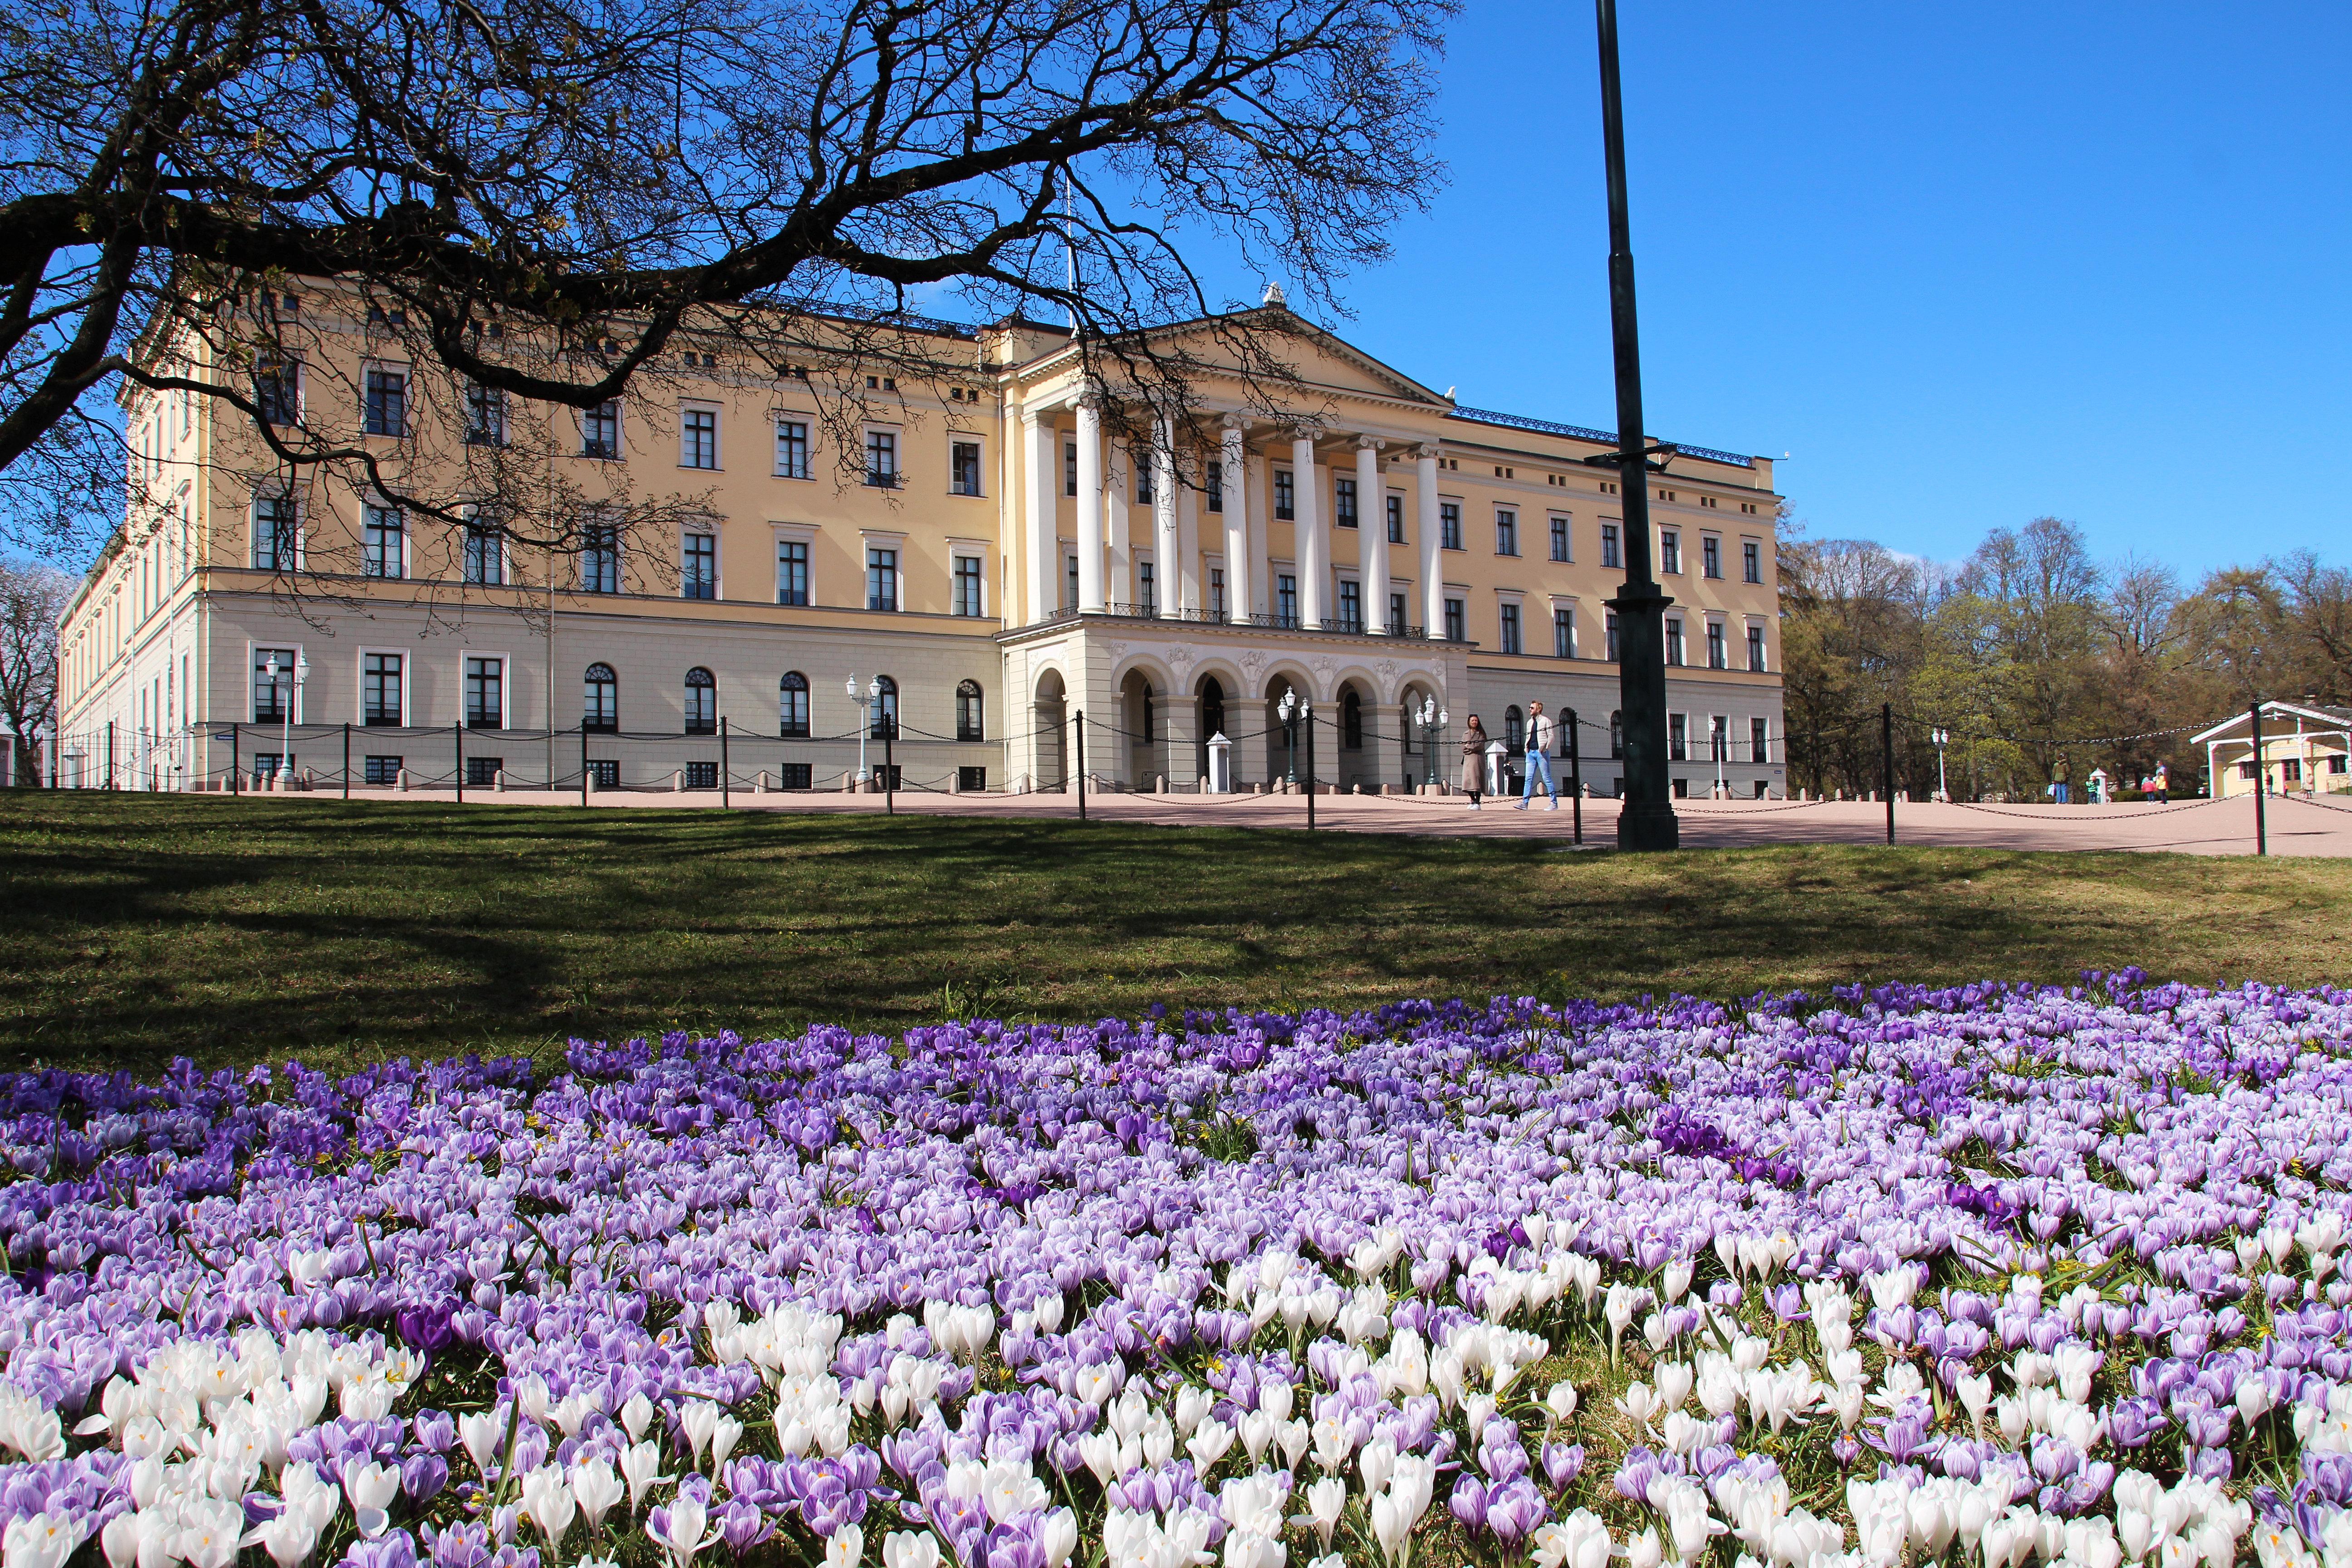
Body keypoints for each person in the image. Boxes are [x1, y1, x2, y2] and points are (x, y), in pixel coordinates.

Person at [1517, 701, 1559, 810]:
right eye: (1530, 707)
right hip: (1530, 753)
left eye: (1532, 708)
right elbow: (1528, 737)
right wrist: (1526, 749)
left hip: (1541, 753)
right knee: (1528, 779)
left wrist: (1545, 748)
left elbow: (1551, 736)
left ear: (1539, 709)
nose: (1530, 709)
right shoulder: (1529, 722)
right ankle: (1525, 803)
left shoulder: (1546, 721)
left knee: (1547, 778)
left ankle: (1554, 802)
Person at [1460, 715, 1489, 808]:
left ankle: (1478, 802)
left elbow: (1478, 745)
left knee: (1477, 781)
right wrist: (1469, 748)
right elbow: (1463, 746)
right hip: (1467, 759)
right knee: (1467, 781)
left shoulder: (1481, 734)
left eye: (1476, 721)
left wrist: (1470, 747)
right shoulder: (1466, 734)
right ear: (1469, 722)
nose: (1474, 722)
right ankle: (1472, 800)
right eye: (1472, 721)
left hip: (1477, 759)